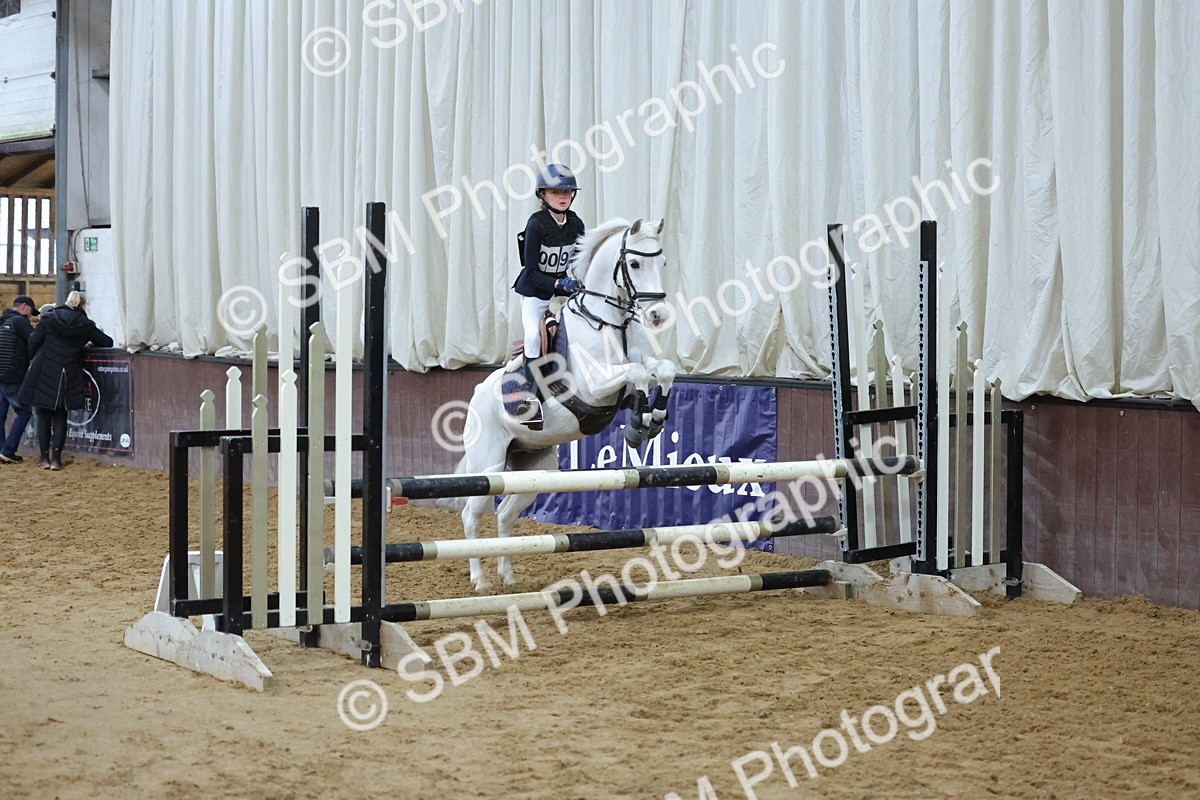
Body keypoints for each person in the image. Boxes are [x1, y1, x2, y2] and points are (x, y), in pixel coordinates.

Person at [510, 163, 586, 427]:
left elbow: (579, 262)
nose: (562, 196)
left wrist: (576, 282)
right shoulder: (536, 225)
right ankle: (531, 400)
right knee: (533, 335)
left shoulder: (576, 223)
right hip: (535, 295)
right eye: (555, 192)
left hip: (563, 293)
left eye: (567, 192)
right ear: (542, 195)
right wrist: (558, 284)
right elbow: (530, 273)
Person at [19, 290, 113, 470]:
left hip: (44, 370)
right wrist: (87, 343)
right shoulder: (85, 324)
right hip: (68, 372)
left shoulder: (49, 318)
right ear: (82, 305)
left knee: (44, 416)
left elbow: (33, 340)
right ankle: (56, 460)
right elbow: (107, 342)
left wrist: (36, 358)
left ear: (66, 301)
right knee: (61, 415)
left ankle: (44, 458)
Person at [0, 295, 40, 463]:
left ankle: (2, 449)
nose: (30, 316)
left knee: (0, 414)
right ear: (24, 306)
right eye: (31, 312)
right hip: (13, 375)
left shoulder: (3, 321)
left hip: (1, 375)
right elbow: (34, 340)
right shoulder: (20, 321)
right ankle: (8, 450)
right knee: (24, 412)